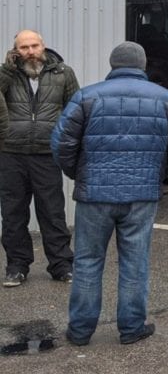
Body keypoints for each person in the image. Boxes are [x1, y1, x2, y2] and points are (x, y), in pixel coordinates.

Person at [51, 42, 168, 346]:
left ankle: (79, 331)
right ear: (142, 65)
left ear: (112, 64)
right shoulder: (167, 99)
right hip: (142, 196)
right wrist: (157, 174)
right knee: (135, 262)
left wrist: (80, 173)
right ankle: (131, 328)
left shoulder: (86, 96)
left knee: (88, 261)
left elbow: (61, 145)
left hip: (94, 195)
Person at [0, 30, 78, 287]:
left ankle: (61, 265)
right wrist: (8, 71)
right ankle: (16, 266)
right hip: (12, 153)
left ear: (43, 46)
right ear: (15, 51)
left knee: (52, 212)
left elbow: (74, 109)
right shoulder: (7, 75)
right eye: (24, 47)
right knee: (13, 213)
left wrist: (67, 142)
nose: (30, 51)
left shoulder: (62, 73)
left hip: (46, 153)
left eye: (34, 45)